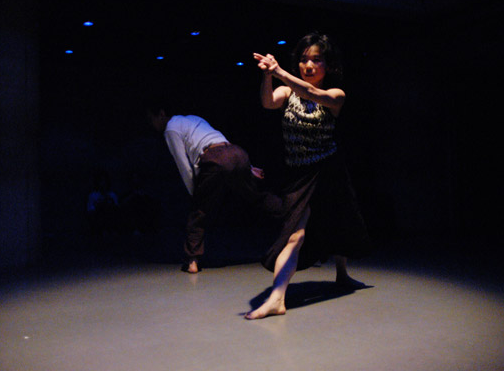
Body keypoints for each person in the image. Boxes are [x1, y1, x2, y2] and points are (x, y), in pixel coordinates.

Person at [246, 32, 371, 319]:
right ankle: (277, 298)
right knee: (295, 234)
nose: (308, 65)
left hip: (329, 170)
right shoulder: (287, 92)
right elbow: (268, 102)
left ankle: (341, 273)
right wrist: (268, 75)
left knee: (341, 222)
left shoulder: (336, 95)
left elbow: (313, 94)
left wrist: (280, 71)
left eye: (316, 60)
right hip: (300, 175)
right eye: (303, 60)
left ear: (329, 65)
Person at [146, 105, 282, 273]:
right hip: (236, 153)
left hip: (215, 158)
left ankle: (192, 261)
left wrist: (194, 194)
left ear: (161, 113)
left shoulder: (171, 129)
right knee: (258, 196)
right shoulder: (193, 118)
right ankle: (293, 219)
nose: (151, 125)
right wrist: (249, 167)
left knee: (199, 211)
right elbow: (221, 141)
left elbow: (184, 166)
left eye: (151, 119)